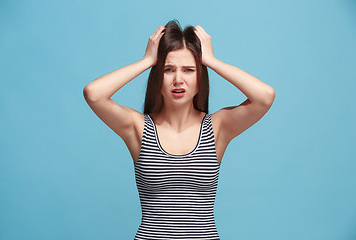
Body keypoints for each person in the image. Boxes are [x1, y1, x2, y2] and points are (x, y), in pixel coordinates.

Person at [83, 19, 275, 239]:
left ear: (200, 76)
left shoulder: (217, 128)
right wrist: (147, 61)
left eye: (189, 70)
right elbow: (93, 93)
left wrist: (211, 60)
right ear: (157, 76)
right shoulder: (138, 128)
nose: (178, 80)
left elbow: (265, 97)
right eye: (168, 70)